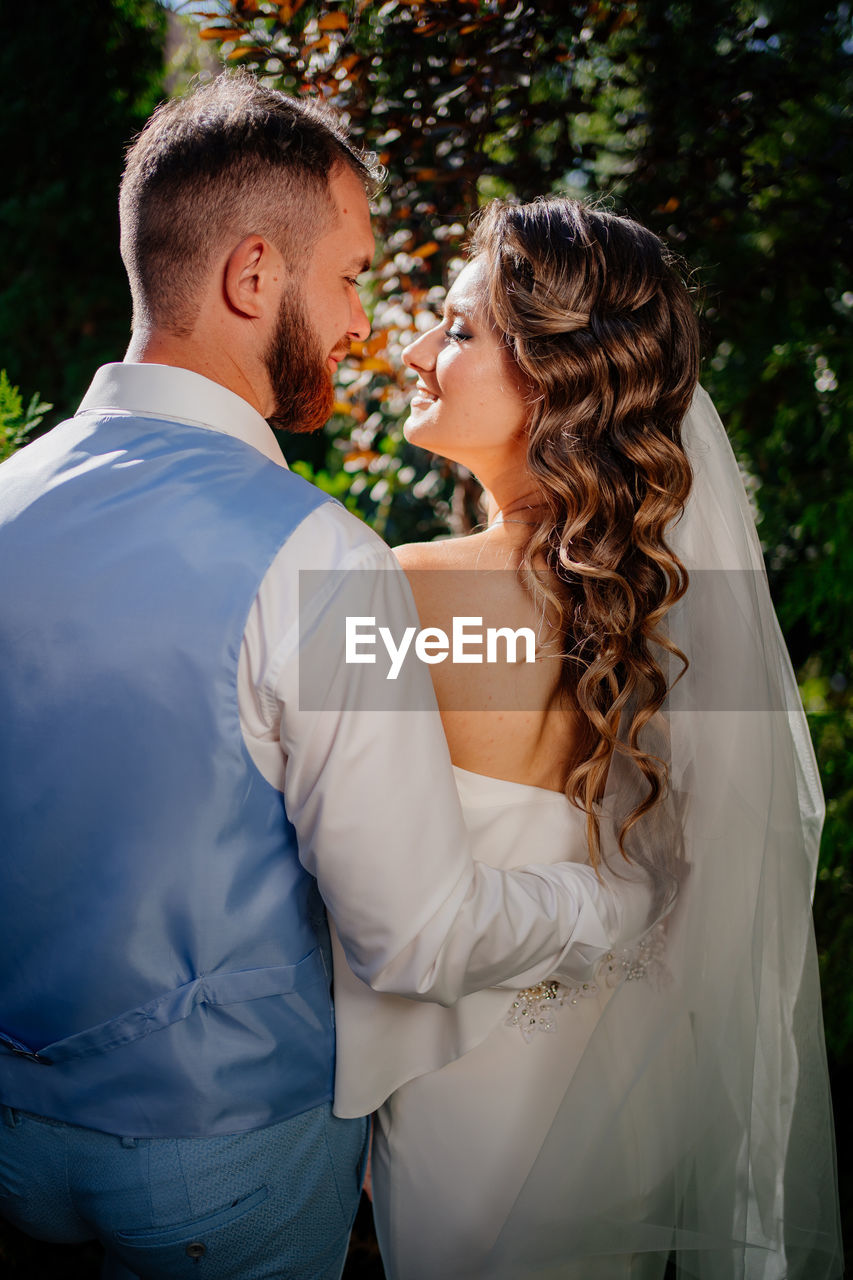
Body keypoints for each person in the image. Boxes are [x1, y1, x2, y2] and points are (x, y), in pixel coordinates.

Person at [0, 81, 659, 1280]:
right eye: (352, 278)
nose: (371, 325)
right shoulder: (325, 560)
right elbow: (414, 932)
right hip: (220, 1153)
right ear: (255, 278)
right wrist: (613, 909)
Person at [329, 198, 843, 1278]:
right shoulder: (666, 614)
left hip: (459, 1099)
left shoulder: (390, 593)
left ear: (558, 379)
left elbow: (328, 872)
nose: (417, 350)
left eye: (460, 330)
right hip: (632, 1093)